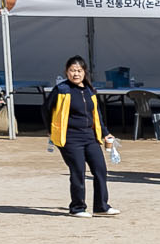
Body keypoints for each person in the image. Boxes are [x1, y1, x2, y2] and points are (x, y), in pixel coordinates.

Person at [47, 56, 118, 217]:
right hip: (70, 138)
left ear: (85, 72)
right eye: (72, 70)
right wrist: (50, 129)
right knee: (78, 171)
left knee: (100, 170)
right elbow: (46, 109)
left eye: (79, 70)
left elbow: (96, 115)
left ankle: (101, 206)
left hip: (90, 137)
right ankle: (77, 207)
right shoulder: (61, 90)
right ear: (66, 72)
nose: (76, 74)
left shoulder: (89, 90)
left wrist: (105, 132)